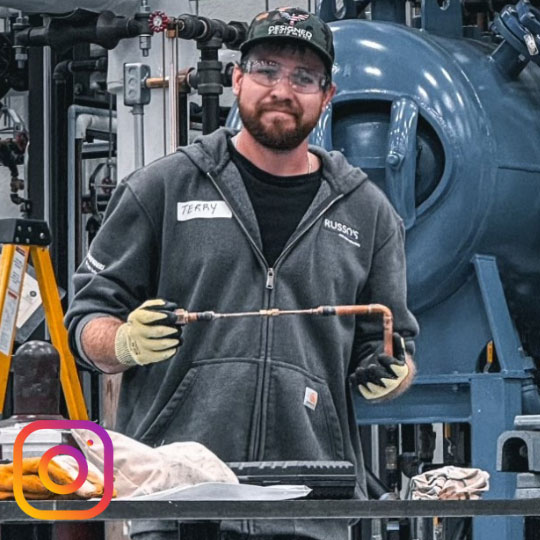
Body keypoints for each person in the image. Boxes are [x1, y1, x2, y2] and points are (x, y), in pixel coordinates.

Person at [65, 7, 419, 540]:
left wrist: (392, 376)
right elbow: (85, 324)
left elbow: (394, 344)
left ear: (327, 95)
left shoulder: (367, 213)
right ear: (236, 79)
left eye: (304, 77)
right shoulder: (162, 189)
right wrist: (126, 342)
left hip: (310, 502)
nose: (283, 88)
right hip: (178, 501)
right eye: (266, 69)